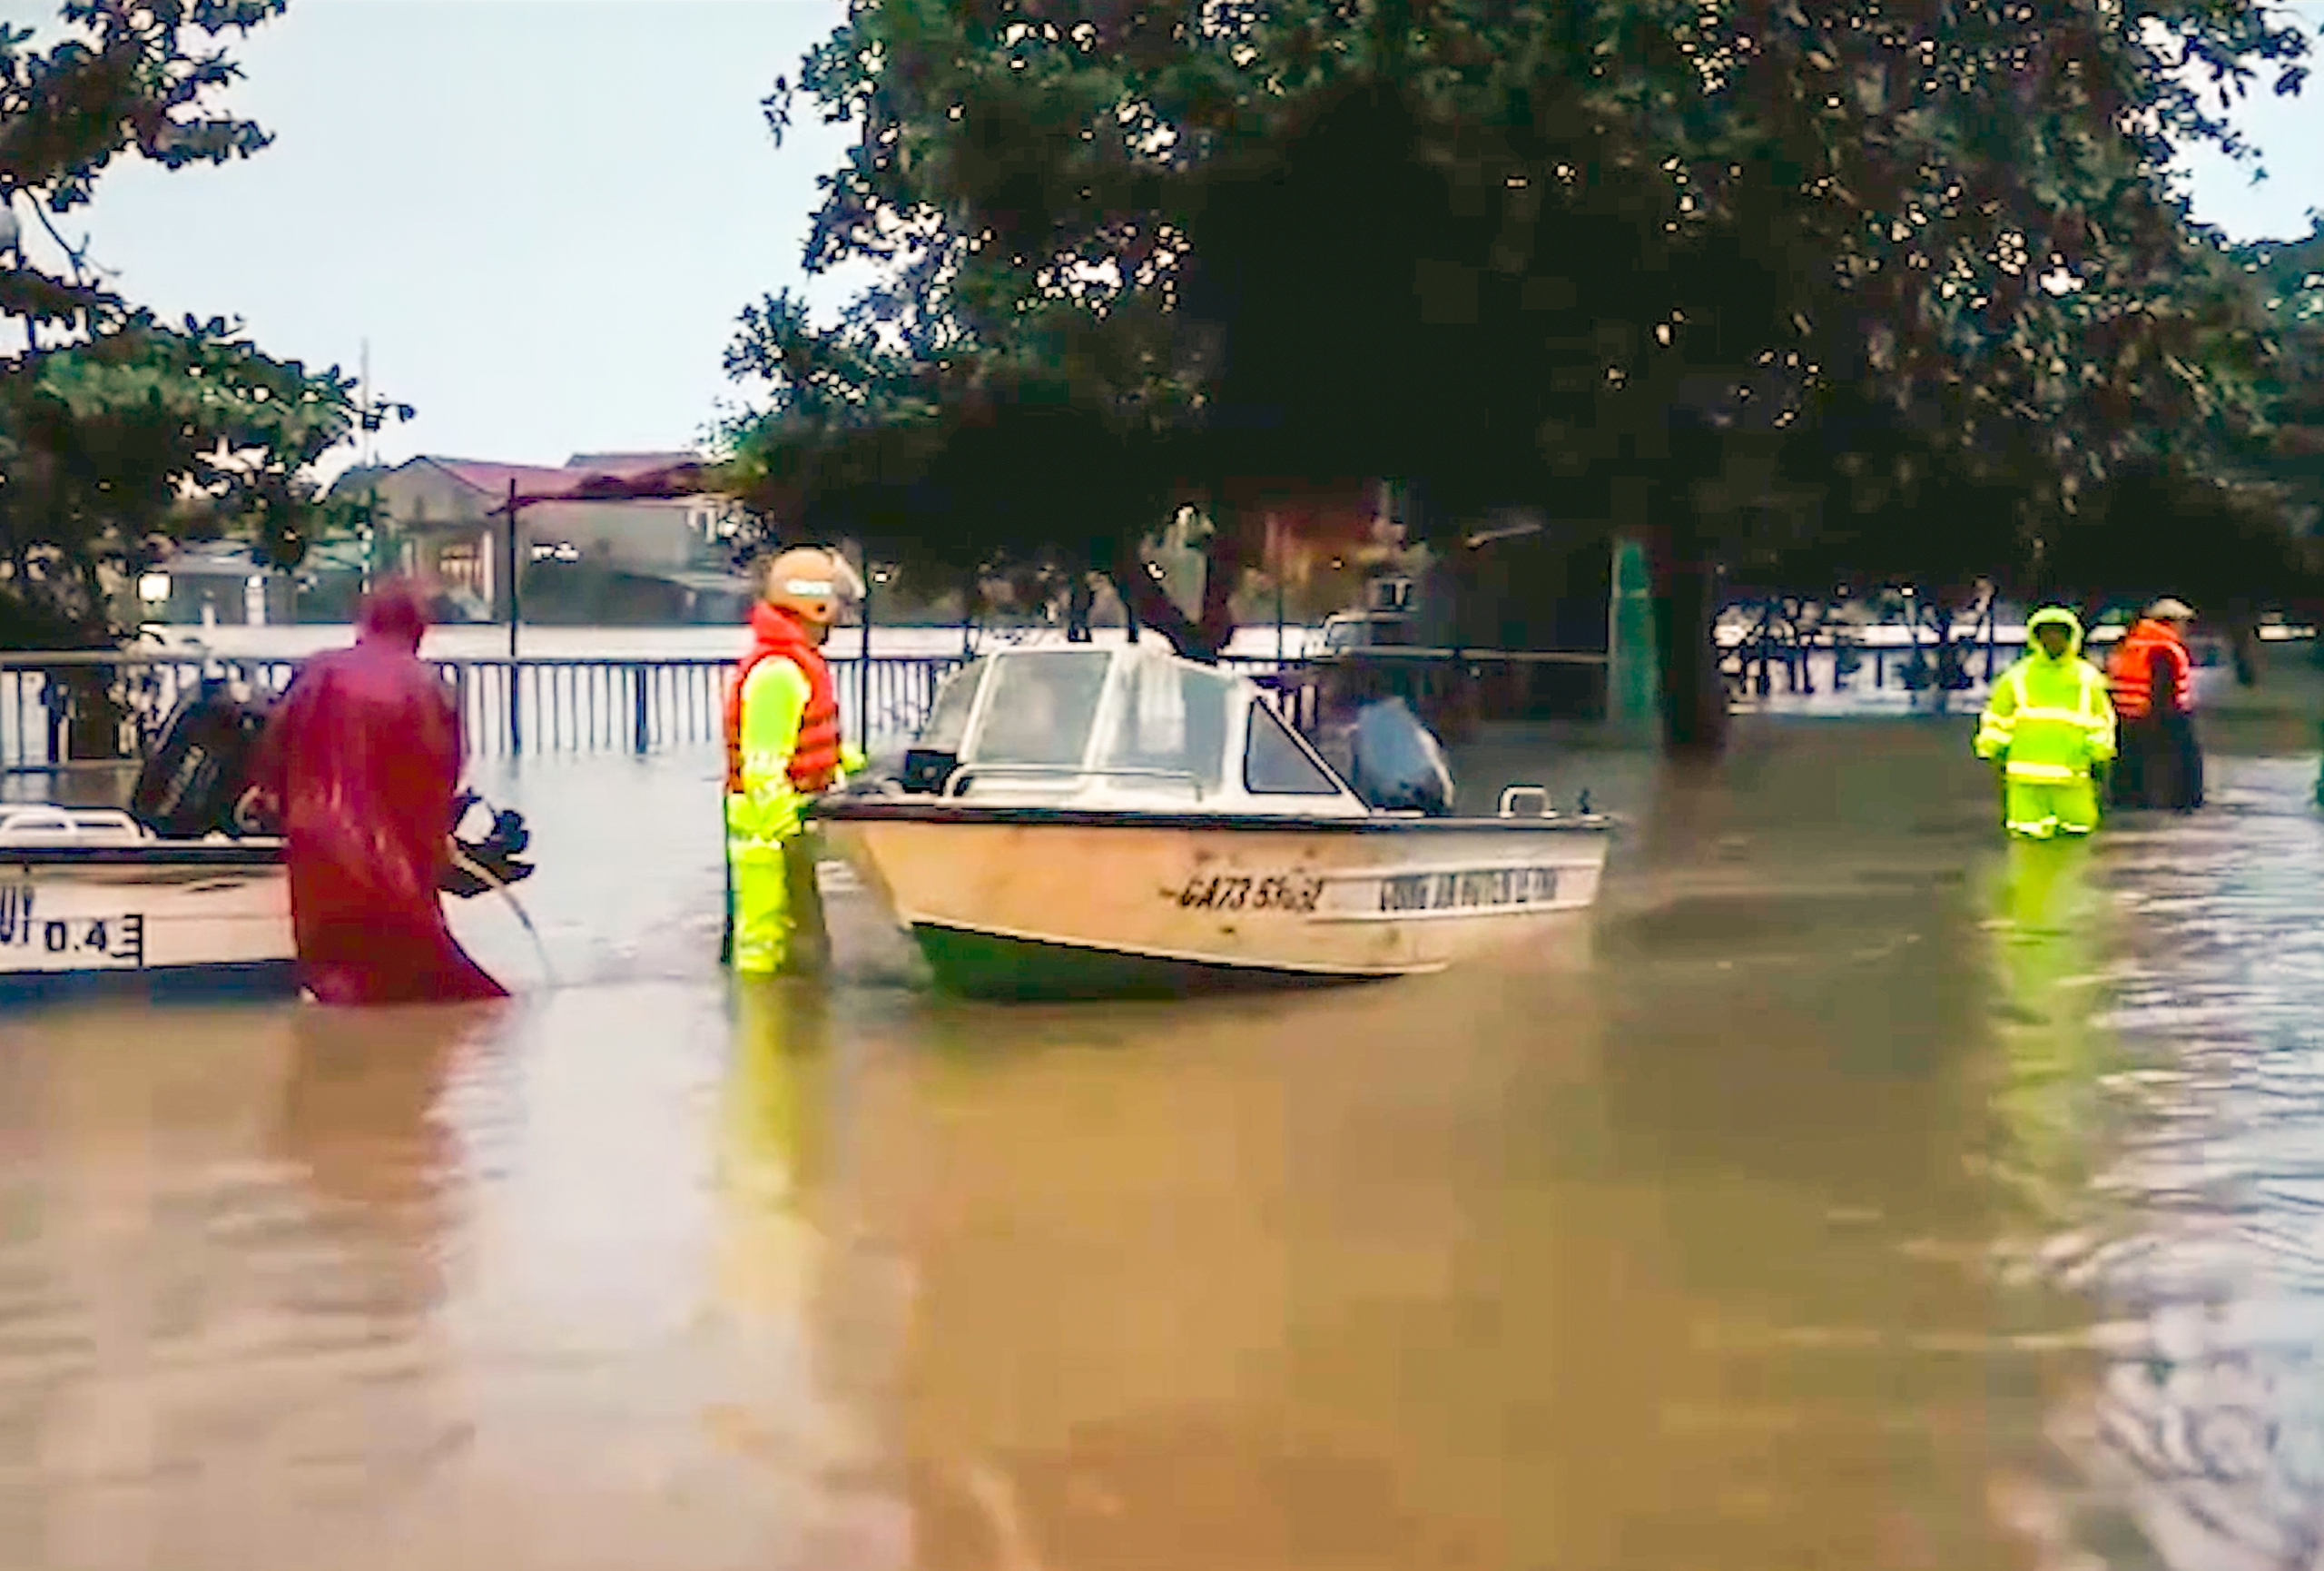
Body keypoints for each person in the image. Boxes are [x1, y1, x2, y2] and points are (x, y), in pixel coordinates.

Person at [249, 579, 507, 1005]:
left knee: (333, 973)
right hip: (396, 857)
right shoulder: (430, 686)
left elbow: (277, 739)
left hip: (318, 843)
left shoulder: (319, 667)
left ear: (364, 622)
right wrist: (440, 841)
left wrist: (265, 792)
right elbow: (447, 770)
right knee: (425, 980)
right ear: (420, 629)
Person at [724, 548, 865, 977]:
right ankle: (767, 1034)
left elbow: (810, 746)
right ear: (815, 604)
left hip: (789, 827)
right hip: (768, 838)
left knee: (807, 949)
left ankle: (796, 1030)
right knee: (765, 951)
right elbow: (764, 765)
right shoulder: (779, 672)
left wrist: (855, 769)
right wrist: (789, 820)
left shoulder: (793, 665)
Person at [1974, 606, 2117, 841]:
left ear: (2071, 637)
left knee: (2076, 841)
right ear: (2036, 637)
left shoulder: (2087, 679)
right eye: (2047, 633)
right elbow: (1997, 718)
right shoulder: (2016, 677)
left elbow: (2101, 719)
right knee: (2027, 843)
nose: (2054, 639)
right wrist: (1992, 747)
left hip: (2073, 778)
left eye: (2060, 633)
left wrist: (2100, 751)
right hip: (2027, 783)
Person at [2105, 598, 2204, 812]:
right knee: (2186, 763)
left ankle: (2127, 802)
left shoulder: (2129, 645)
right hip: (2161, 714)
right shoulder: (2164, 649)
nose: (2184, 628)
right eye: (2182, 622)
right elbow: (2163, 689)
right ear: (2167, 622)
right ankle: (2184, 803)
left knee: (2129, 764)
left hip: (2126, 714)